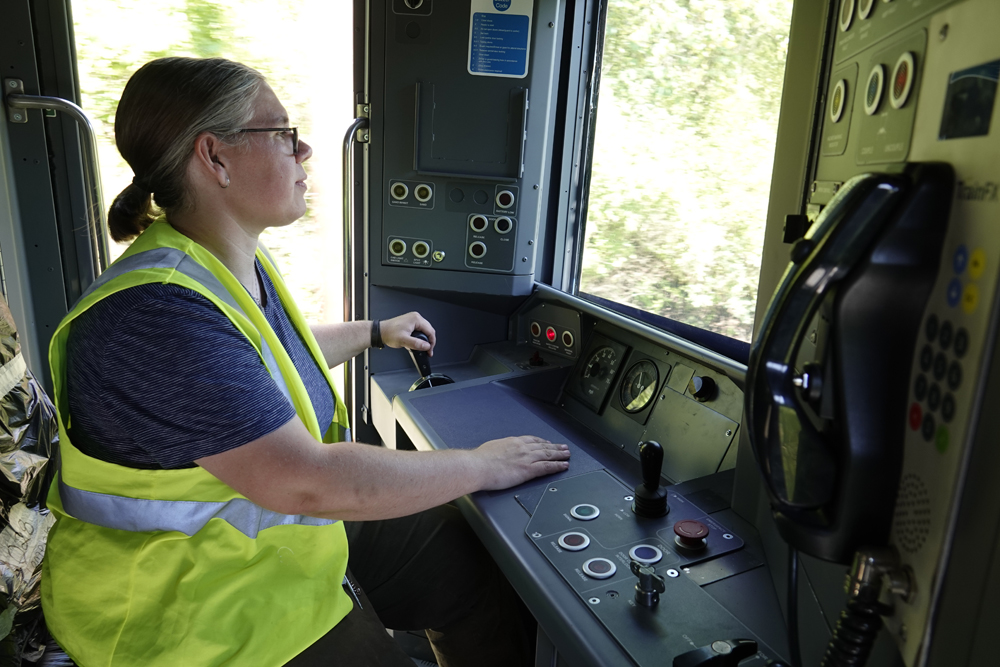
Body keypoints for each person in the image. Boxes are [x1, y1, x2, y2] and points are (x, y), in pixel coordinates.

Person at [41, 57, 570, 667]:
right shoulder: (155, 315)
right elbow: (306, 480)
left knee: (470, 563)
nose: (307, 149)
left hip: (273, 543)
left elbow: (255, 367)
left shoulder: (220, 264)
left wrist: (374, 332)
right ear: (215, 158)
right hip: (196, 614)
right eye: (283, 134)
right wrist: (480, 466)